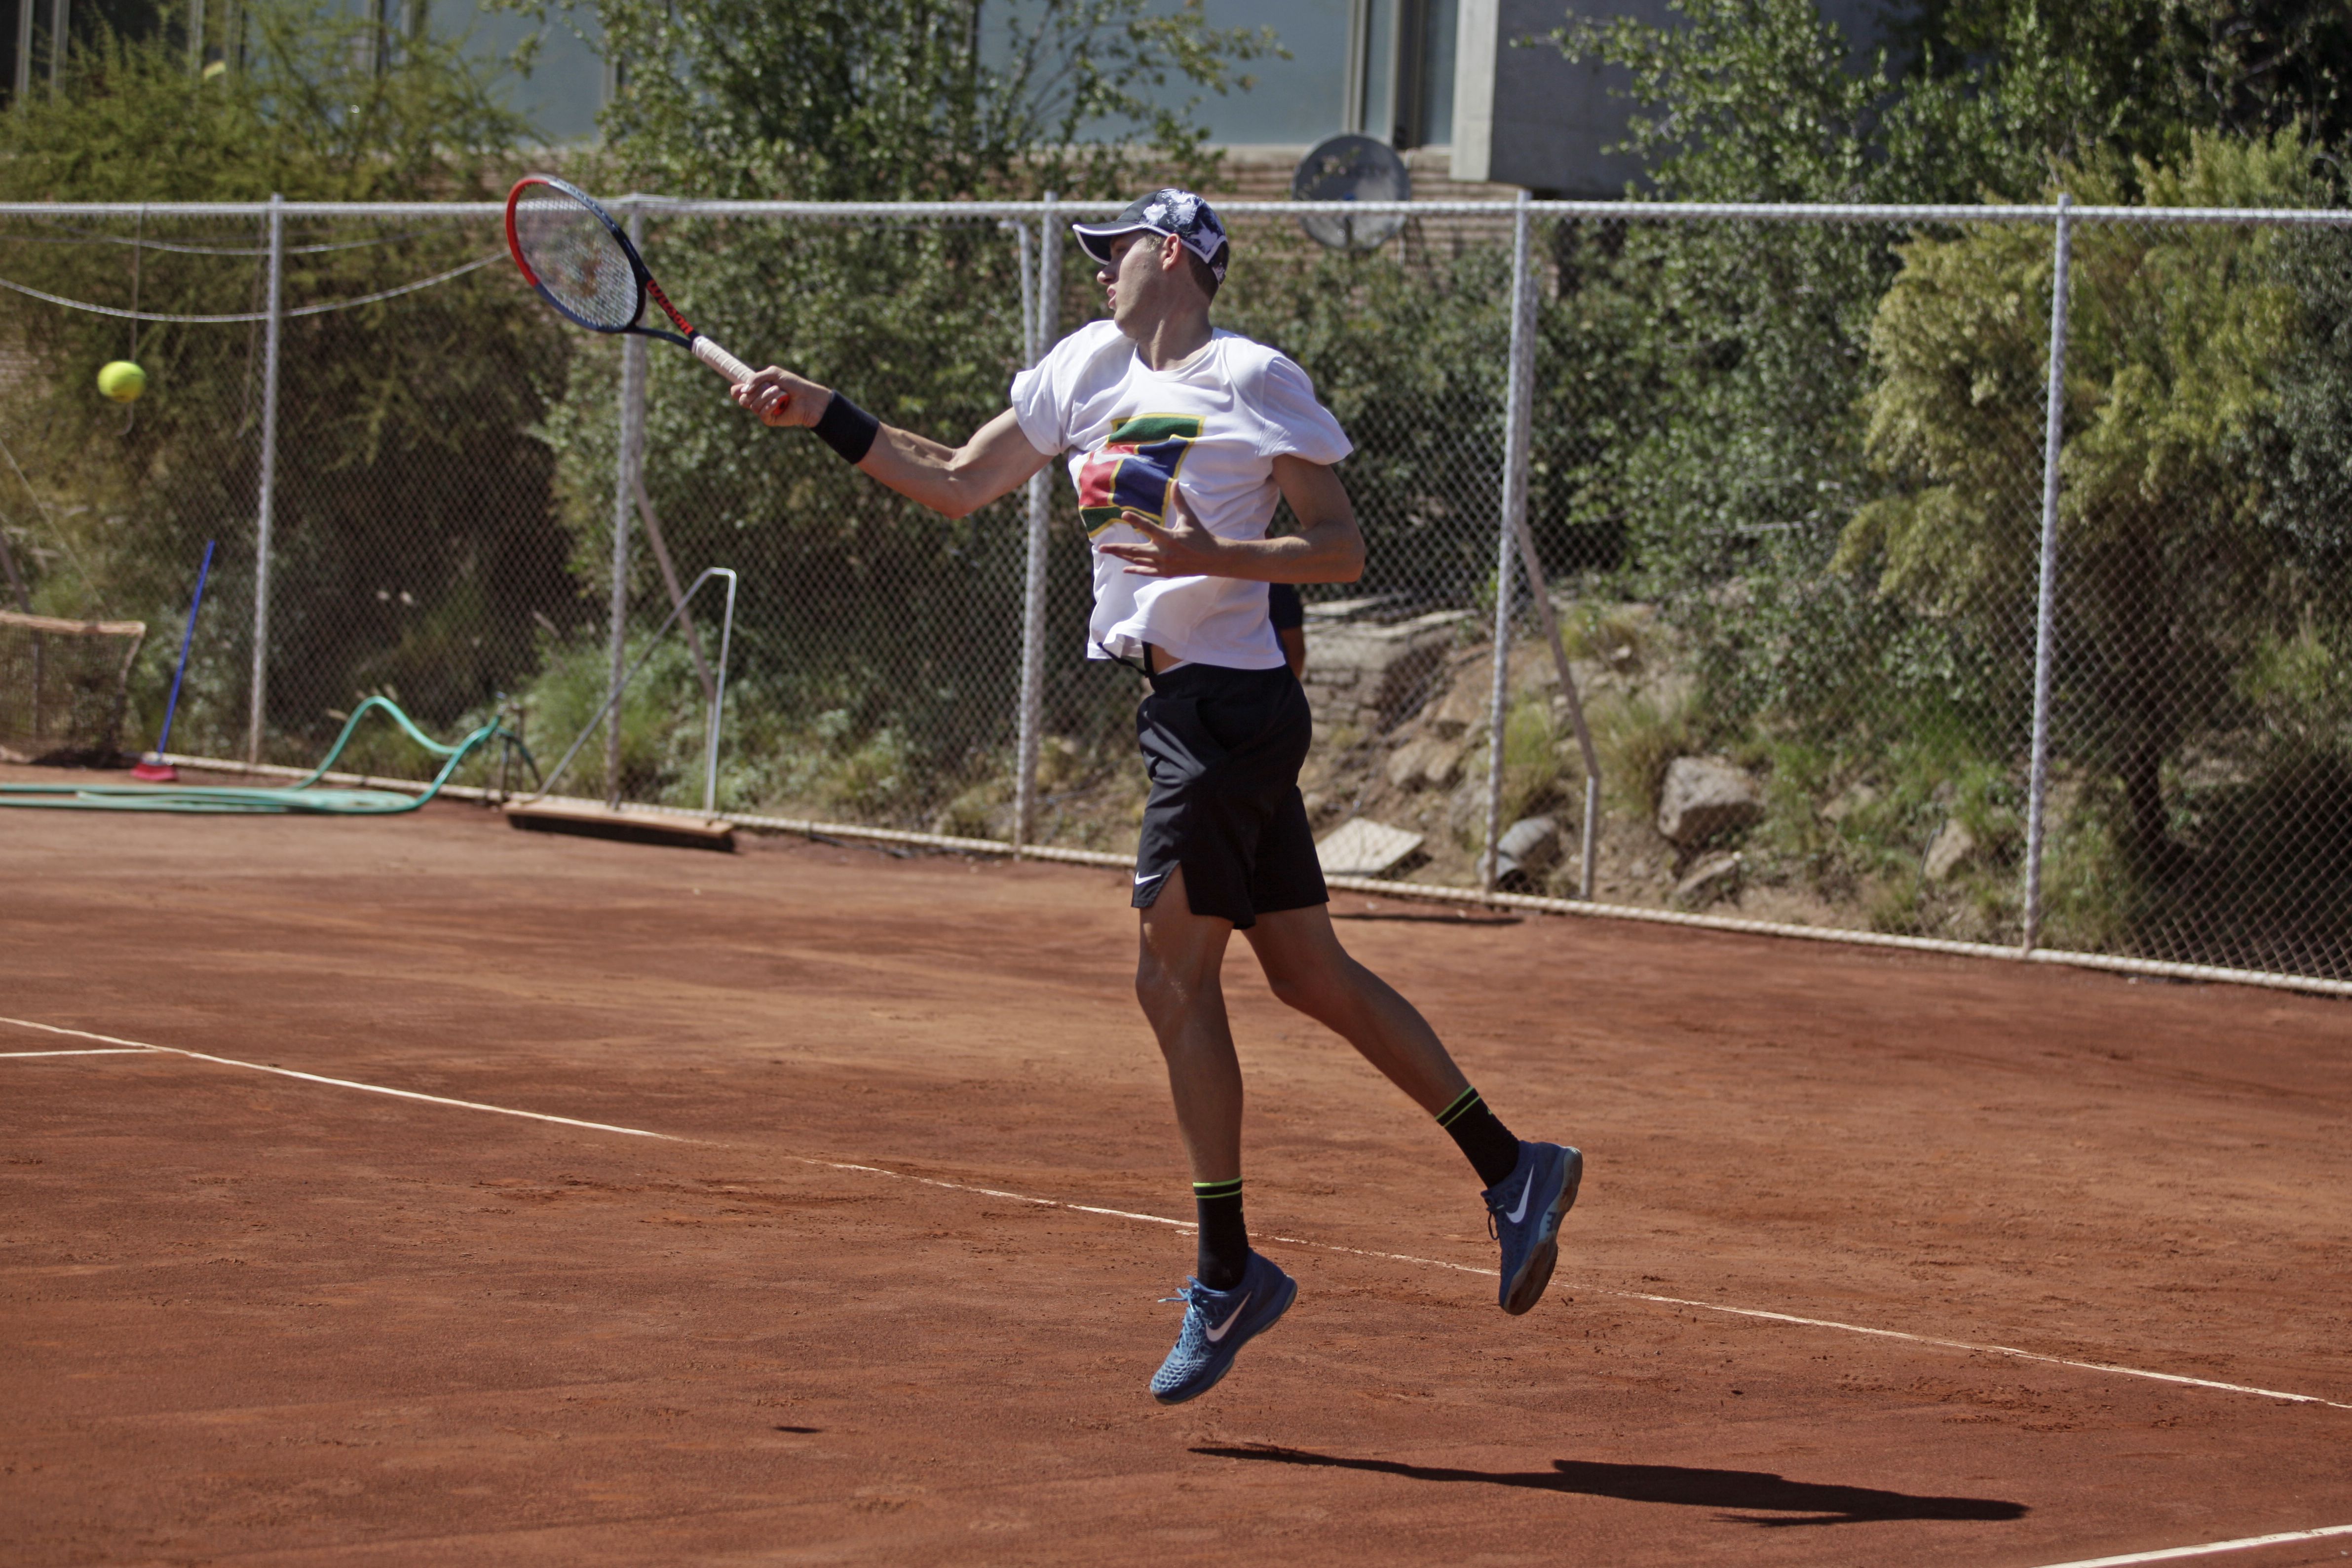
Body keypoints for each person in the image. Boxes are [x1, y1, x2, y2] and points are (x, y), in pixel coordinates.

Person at [730, 189, 1582, 1405]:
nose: (1097, 273)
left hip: (1226, 714)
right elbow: (962, 480)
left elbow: (1337, 545)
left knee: (1166, 974)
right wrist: (824, 412)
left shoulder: (1254, 376)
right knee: (1304, 971)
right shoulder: (1086, 365)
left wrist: (1211, 558)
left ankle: (1228, 1267)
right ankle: (1514, 1167)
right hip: (1178, 708)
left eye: (1111, 252)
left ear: (1170, 255)